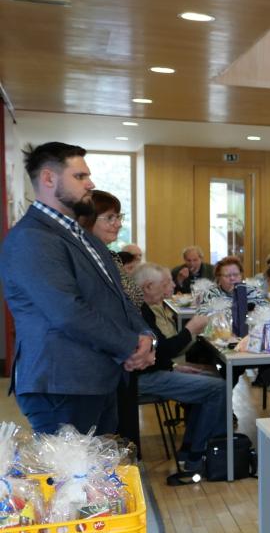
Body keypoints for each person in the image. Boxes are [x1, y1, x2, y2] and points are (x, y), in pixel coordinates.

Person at [0, 142, 154, 435]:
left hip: (97, 379)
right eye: (80, 176)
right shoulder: (32, 237)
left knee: (101, 464)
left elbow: (118, 298)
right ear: (49, 179)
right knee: (73, 467)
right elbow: (68, 312)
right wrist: (130, 345)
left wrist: (146, 335)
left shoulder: (83, 236)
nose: (90, 184)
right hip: (61, 384)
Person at [135, 264, 227, 485]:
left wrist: (174, 367)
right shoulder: (140, 311)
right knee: (219, 389)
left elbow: (158, 351)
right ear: (147, 287)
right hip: (142, 379)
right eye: (166, 283)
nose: (173, 286)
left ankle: (189, 449)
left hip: (152, 371)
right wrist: (190, 330)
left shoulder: (144, 308)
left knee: (215, 379)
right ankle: (197, 456)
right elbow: (163, 350)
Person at [78, 190, 143, 308]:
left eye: (118, 217)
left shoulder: (112, 256)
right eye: (110, 217)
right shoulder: (80, 257)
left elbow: (135, 298)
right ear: (87, 220)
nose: (119, 224)